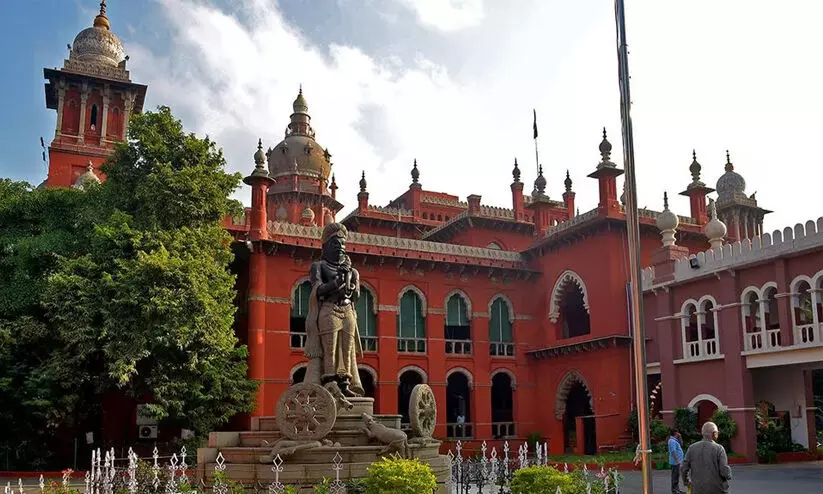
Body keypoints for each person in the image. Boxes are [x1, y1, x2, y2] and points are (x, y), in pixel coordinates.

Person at [303, 218, 364, 397]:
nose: (340, 247)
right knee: (329, 349)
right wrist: (337, 282)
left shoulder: (353, 271)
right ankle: (330, 385)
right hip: (329, 310)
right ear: (326, 245)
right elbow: (318, 290)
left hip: (347, 311)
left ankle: (345, 385)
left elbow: (356, 295)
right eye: (336, 243)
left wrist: (351, 284)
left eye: (343, 244)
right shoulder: (319, 266)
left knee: (347, 350)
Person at [681, 422, 732, 494]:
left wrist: (686, 481)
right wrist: (728, 474)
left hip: (697, 489)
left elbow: (683, 468)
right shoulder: (719, 448)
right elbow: (724, 472)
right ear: (714, 433)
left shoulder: (692, 448)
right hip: (717, 489)